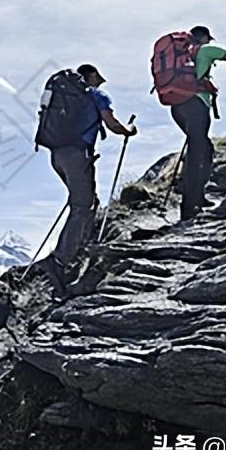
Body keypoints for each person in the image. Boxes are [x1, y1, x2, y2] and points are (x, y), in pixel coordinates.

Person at [39, 64, 137, 296]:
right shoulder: (95, 95)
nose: (100, 82)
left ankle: (79, 248)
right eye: (98, 78)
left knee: (88, 201)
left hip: (57, 155)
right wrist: (129, 130)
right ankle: (60, 261)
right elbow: (112, 124)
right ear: (90, 76)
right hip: (77, 155)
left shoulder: (62, 99)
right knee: (82, 206)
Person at [172, 20, 226, 221]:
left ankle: (198, 196)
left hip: (177, 106)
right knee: (197, 154)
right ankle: (189, 208)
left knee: (204, 148)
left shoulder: (181, 54)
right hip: (196, 104)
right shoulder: (204, 49)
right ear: (204, 37)